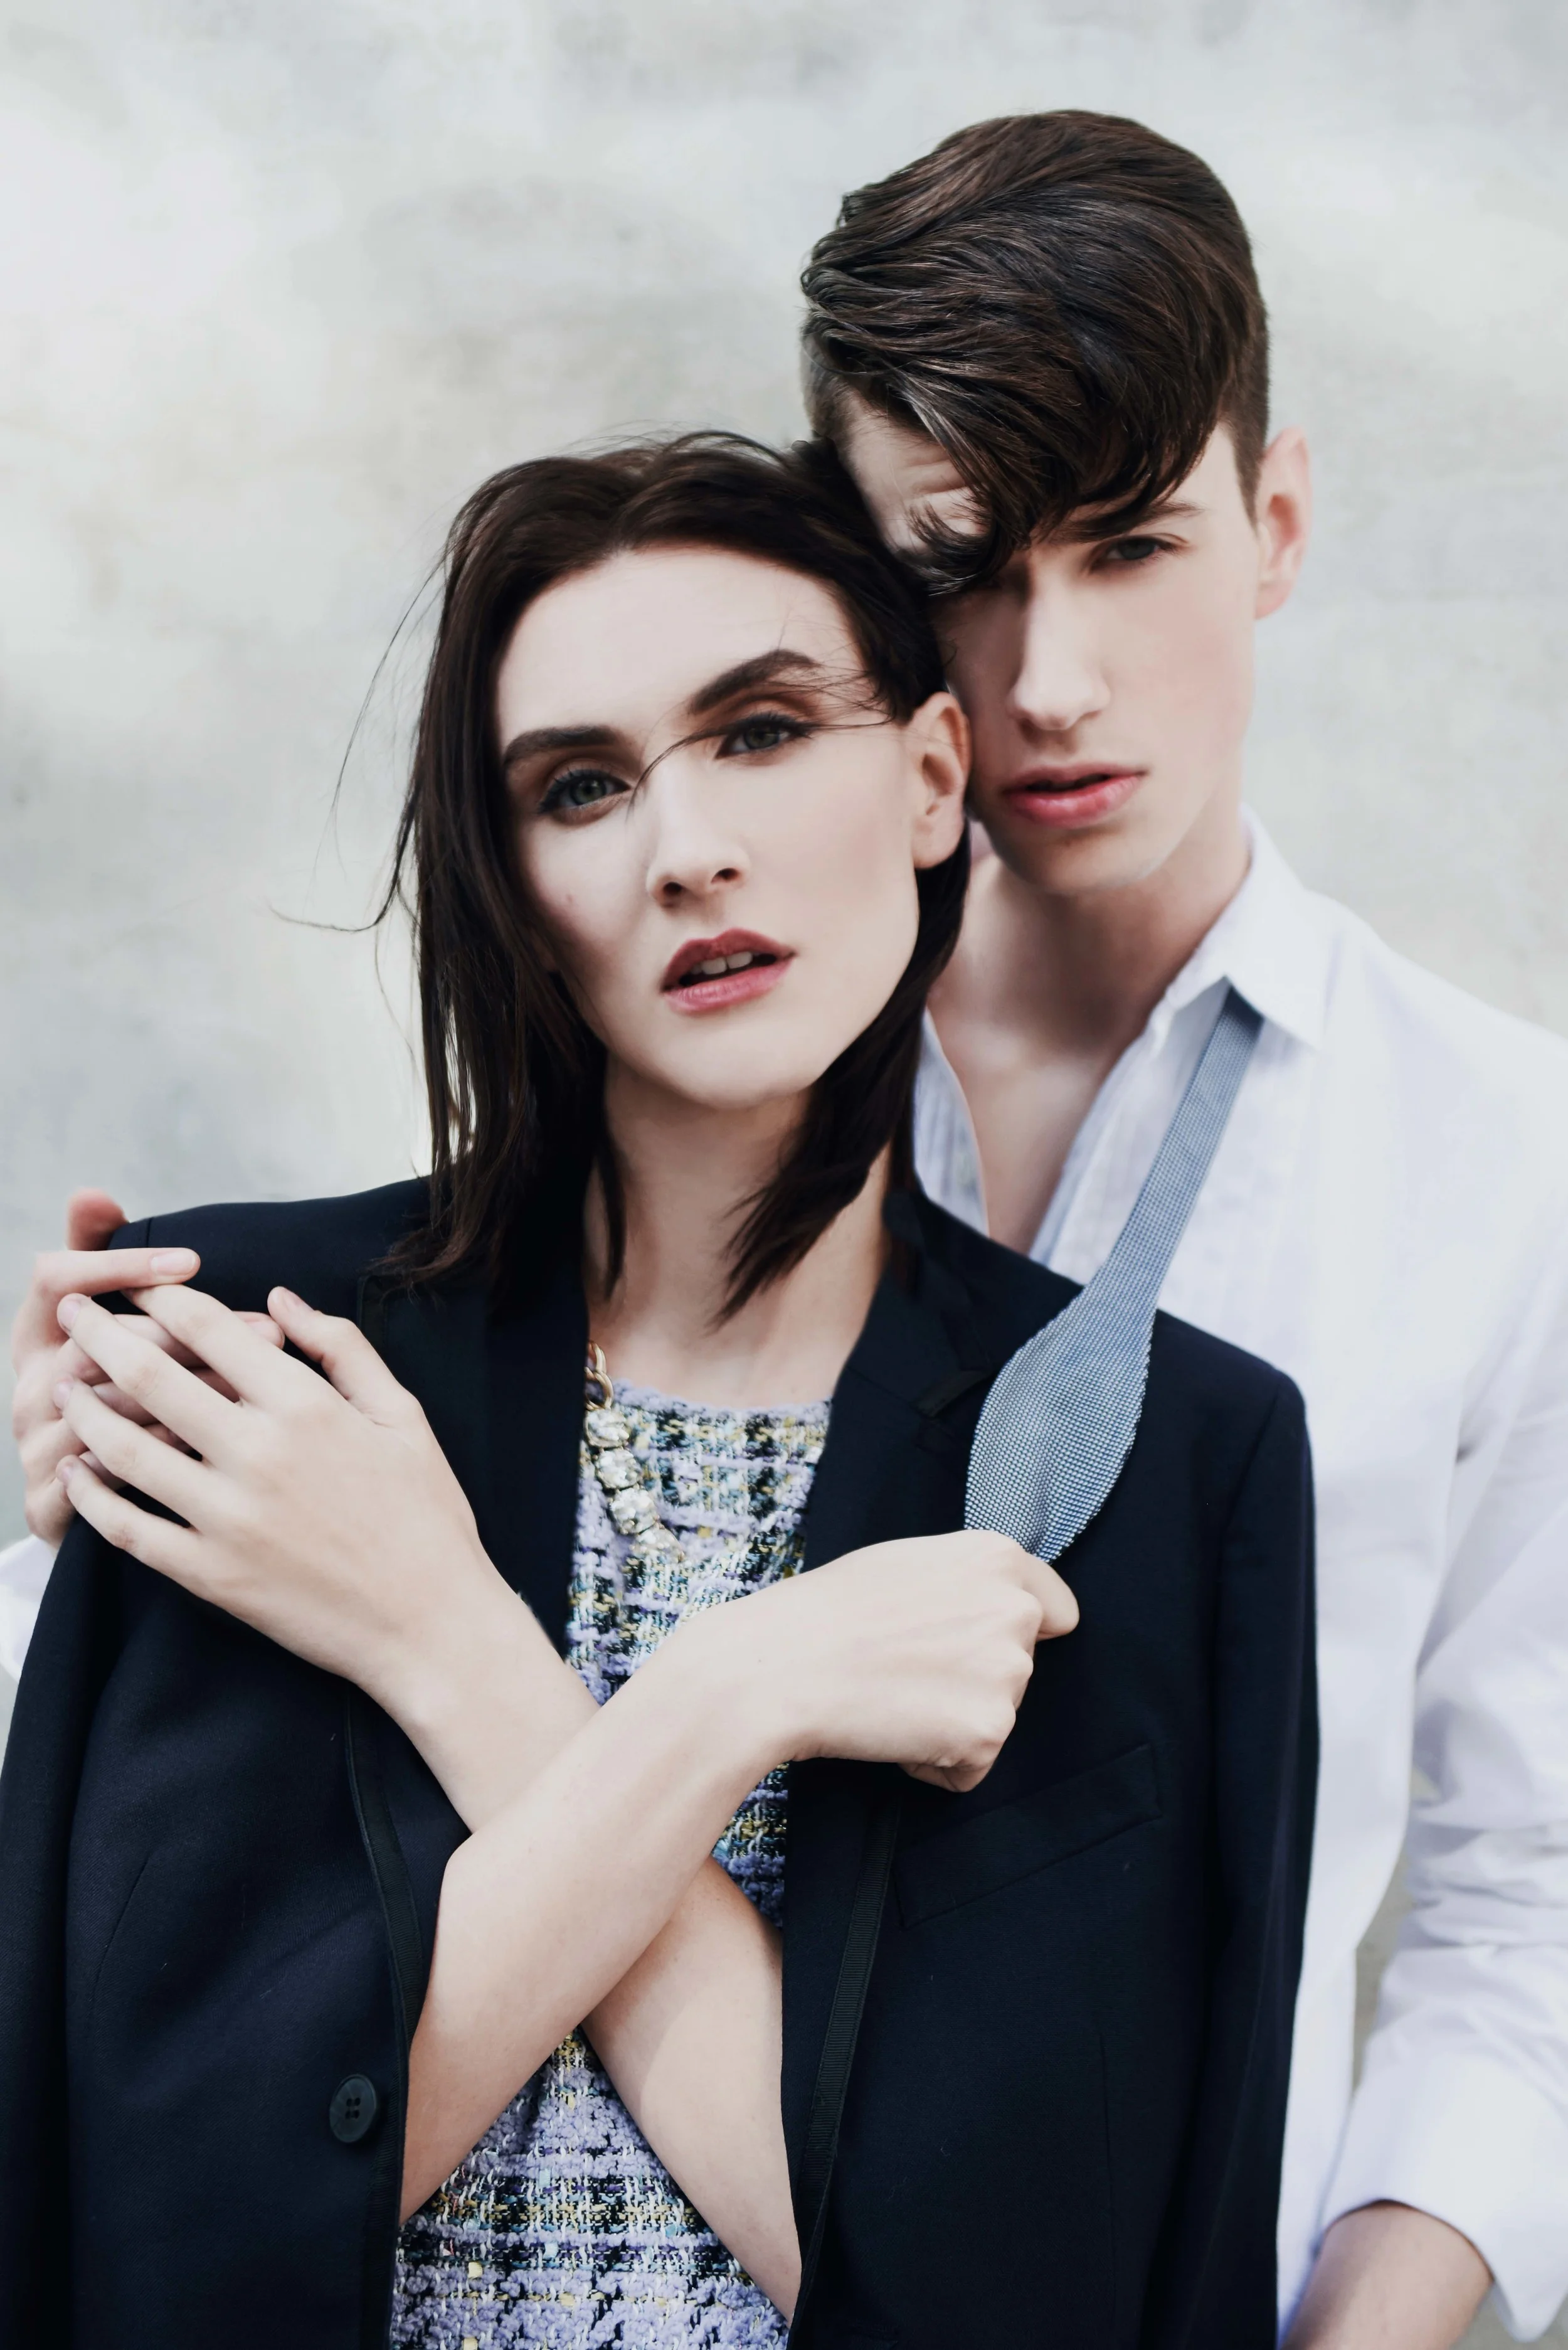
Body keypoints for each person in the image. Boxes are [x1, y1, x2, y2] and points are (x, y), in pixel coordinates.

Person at [0, 435, 1315, 2349]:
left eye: (761, 733)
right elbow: (174, 2228)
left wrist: (459, 1644)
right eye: (582, 786)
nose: (682, 846)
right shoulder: (272, 1368)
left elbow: (1001, 2299)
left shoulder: (1168, 1460)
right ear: (515, 882)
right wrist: (715, 1695)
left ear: (932, 777)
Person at [792, 110, 1568, 2349]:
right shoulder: (684, 1070)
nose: (1048, 680)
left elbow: (1524, 1909)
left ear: (1276, 525)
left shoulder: (1502, 1154)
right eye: (960, 567)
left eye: (1131, 546)